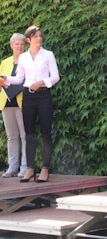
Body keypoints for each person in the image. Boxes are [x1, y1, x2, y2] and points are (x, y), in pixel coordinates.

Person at [0, 26, 60, 183]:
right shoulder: (23, 58)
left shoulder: (48, 55)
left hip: (44, 95)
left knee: (46, 132)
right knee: (29, 134)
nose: (39, 38)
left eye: (40, 35)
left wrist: (41, 82)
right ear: (29, 39)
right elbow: (20, 79)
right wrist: (5, 78)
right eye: (35, 36)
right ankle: (30, 169)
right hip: (28, 97)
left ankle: (45, 169)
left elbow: (55, 77)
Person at [0, 33, 27, 178]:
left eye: (22, 44)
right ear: (11, 45)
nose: (19, 46)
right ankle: (12, 167)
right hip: (6, 103)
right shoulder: (4, 62)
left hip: (23, 102)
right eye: (16, 44)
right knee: (12, 136)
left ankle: (24, 168)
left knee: (24, 135)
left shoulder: (28, 61)